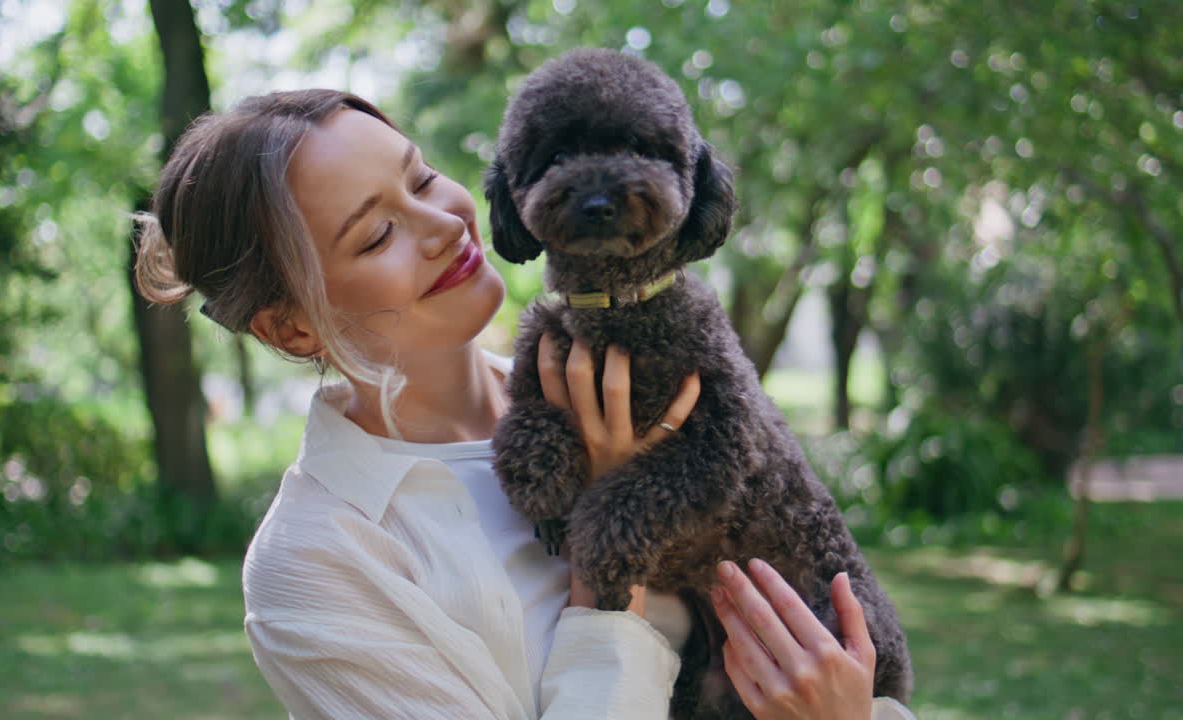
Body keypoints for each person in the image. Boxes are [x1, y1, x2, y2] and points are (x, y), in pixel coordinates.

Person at [134, 88, 916, 720]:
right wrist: (606, 570)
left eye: (421, 176)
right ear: (292, 327)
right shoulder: (316, 566)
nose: (444, 223)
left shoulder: (631, 378)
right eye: (377, 235)